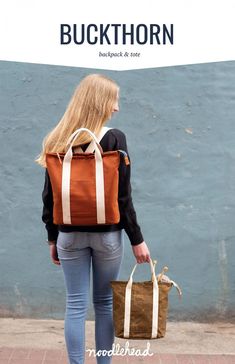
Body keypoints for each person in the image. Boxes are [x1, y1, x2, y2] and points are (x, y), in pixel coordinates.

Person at [36, 74, 151, 364]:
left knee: (75, 304)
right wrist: (137, 239)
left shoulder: (58, 138)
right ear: (101, 102)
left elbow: (49, 197)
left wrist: (53, 237)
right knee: (103, 304)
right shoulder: (115, 138)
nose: (117, 108)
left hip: (69, 235)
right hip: (108, 236)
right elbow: (123, 198)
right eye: (114, 100)